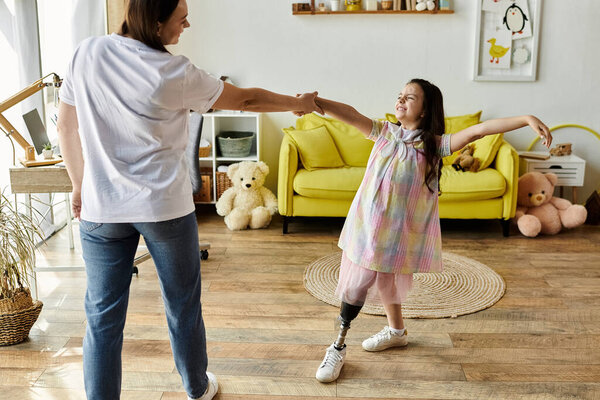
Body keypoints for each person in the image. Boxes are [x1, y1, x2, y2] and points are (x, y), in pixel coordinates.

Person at [56, 0, 321, 399]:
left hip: (101, 207)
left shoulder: (85, 53)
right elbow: (246, 100)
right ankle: (196, 387)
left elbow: (66, 127)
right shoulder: (172, 72)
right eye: (181, 19)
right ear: (156, 22)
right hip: (163, 208)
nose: (188, 24)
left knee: (101, 319)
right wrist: (298, 103)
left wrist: (78, 184)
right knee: (181, 306)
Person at [311, 78, 553, 383]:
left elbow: (481, 130)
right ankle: (340, 344)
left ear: (425, 111)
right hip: (367, 229)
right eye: (399, 96)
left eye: (409, 98)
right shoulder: (384, 132)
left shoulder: (435, 146)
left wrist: (527, 118)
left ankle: (395, 333)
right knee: (357, 285)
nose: (400, 101)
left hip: (397, 236)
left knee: (388, 282)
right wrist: (315, 103)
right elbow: (349, 113)